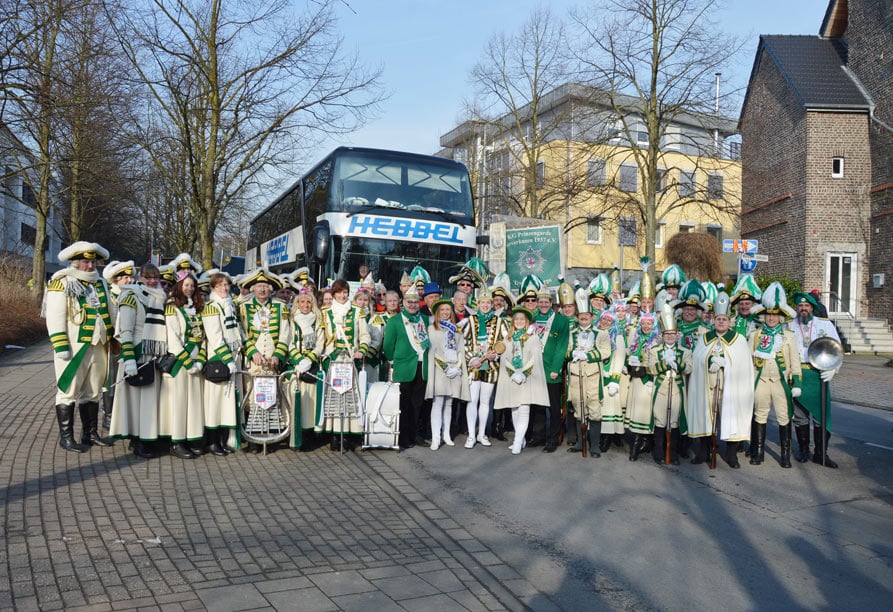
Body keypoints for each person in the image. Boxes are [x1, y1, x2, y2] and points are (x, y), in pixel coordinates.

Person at [44, 241, 116, 452]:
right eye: (86, 262)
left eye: (93, 262)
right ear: (75, 262)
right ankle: (66, 438)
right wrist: (60, 346)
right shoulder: (62, 282)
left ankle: (90, 434)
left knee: (92, 392)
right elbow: (54, 316)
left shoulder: (100, 283)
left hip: (99, 345)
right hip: (74, 347)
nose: (91, 266)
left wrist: (113, 337)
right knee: (68, 391)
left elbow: (109, 311)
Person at [687, 292, 755, 468]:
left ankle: (731, 455)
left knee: (731, 416)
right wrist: (710, 360)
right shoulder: (704, 338)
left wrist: (725, 362)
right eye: (718, 319)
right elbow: (697, 359)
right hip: (707, 386)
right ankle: (704, 452)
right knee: (705, 417)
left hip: (729, 387)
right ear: (713, 320)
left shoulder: (739, 340)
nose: (721, 322)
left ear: (730, 321)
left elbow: (743, 364)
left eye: (724, 319)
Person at [109, 263, 167, 458]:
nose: (152, 281)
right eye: (147, 277)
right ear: (140, 277)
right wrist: (129, 360)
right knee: (135, 402)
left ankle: (146, 438)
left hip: (152, 356)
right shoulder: (131, 296)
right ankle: (137, 441)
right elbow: (125, 331)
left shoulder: (159, 297)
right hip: (136, 355)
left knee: (149, 402)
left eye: (155, 277)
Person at [237, 268, 292, 453]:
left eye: (265, 286)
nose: (262, 289)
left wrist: (277, 355)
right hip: (254, 361)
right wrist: (252, 351)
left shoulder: (281, 307)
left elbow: (285, 333)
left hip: (272, 360)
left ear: (271, 289)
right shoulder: (243, 307)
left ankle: (270, 435)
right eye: (259, 286)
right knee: (253, 397)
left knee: (272, 397)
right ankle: (254, 437)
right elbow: (241, 333)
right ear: (253, 289)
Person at [748, 282, 802, 468]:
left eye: (775, 315)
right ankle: (758, 452)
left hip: (780, 381)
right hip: (761, 380)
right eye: (769, 314)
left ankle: (785, 454)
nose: (771, 318)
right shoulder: (755, 335)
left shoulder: (789, 336)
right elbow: (749, 360)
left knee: (783, 416)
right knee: (760, 415)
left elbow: (794, 361)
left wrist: (797, 383)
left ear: (781, 317)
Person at [315, 279, 371, 450]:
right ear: (333, 294)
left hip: (350, 361)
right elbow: (322, 338)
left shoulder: (357, 311)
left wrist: (361, 350)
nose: (342, 295)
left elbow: (365, 336)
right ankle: (334, 434)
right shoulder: (325, 312)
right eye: (339, 292)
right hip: (333, 361)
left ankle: (347, 434)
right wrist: (325, 356)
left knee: (349, 398)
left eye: (345, 292)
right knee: (333, 398)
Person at [789, 290, 841, 468]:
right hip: (798, 374)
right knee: (800, 416)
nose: (803, 308)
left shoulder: (824, 325)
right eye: (800, 305)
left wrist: (834, 368)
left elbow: (836, 347)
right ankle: (804, 450)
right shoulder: (789, 326)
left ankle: (821, 454)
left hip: (819, 375)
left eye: (807, 305)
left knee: (821, 417)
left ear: (812, 307)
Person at [160, 270, 206, 459]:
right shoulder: (172, 307)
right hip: (181, 363)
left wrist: (201, 359)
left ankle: (191, 437)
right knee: (178, 404)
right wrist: (188, 363)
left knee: (193, 403)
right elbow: (173, 339)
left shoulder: (198, 308)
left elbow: (203, 337)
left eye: (192, 286)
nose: (190, 288)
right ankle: (176, 441)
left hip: (196, 363)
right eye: (186, 285)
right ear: (179, 286)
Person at [493, 306, 550, 455]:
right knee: (514, 409)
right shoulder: (507, 338)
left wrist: (523, 373)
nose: (519, 321)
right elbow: (504, 358)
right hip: (512, 378)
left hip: (527, 378)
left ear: (527, 321)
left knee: (524, 409)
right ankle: (521, 439)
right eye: (516, 319)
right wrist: (513, 373)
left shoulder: (533, 337)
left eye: (522, 319)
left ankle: (517, 442)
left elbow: (535, 358)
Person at [382, 284, 429, 450]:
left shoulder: (425, 319)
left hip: (422, 366)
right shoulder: (395, 321)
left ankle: (415, 435)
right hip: (403, 366)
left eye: (415, 302)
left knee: (418, 403)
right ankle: (403, 436)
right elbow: (388, 345)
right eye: (409, 302)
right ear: (404, 302)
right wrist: (393, 359)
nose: (413, 305)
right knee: (403, 403)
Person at [526, 277, 570, 453]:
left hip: (551, 369)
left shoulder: (561, 321)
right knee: (537, 405)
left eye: (546, 302)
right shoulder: (532, 318)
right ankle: (538, 436)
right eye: (540, 302)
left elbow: (562, 346)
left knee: (553, 407)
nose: (543, 304)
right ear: (537, 303)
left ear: (551, 303)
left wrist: (556, 369)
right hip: (534, 369)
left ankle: (553, 439)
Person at [201, 270, 242, 456]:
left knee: (227, 403)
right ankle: (212, 441)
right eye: (220, 285)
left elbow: (238, 331)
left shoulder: (230, 304)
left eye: (226, 285)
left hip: (233, 357)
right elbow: (215, 338)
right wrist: (227, 360)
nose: (224, 288)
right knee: (215, 403)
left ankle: (223, 440)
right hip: (218, 359)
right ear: (213, 288)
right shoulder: (211, 307)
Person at [647, 304, 692, 465]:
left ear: (677, 335)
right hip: (660, 389)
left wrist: (677, 363)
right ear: (662, 335)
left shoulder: (685, 351)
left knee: (674, 422)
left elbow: (688, 368)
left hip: (677, 391)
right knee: (660, 421)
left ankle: (672, 453)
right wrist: (665, 363)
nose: (670, 337)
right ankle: (659, 452)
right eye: (667, 334)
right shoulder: (654, 350)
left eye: (673, 334)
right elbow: (651, 369)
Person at [462, 288, 506, 449]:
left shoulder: (500, 321)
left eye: (488, 303)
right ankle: (471, 435)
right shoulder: (470, 320)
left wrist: (497, 355)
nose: (486, 305)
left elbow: (505, 342)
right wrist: (472, 358)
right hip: (474, 367)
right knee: (472, 400)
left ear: (492, 304)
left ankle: (482, 434)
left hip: (491, 367)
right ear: (478, 304)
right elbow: (463, 341)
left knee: (485, 401)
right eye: (483, 302)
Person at [425, 300, 469, 450]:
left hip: (454, 369)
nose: (445, 312)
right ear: (438, 312)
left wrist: (457, 367)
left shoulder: (457, 330)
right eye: (442, 310)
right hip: (440, 370)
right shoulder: (432, 329)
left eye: (448, 310)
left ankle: (446, 434)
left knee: (449, 403)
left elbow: (461, 350)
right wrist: (445, 367)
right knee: (437, 403)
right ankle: (436, 438)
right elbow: (433, 352)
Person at [565, 288, 604, 456]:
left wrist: (587, 355)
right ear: (577, 316)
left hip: (593, 377)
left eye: (587, 314)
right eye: (581, 315)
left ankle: (594, 446)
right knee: (578, 410)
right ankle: (580, 443)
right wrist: (572, 353)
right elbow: (565, 352)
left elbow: (605, 352)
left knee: (594, 411)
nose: (584, 317)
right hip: (576, 377)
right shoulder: (571, 333)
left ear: (592, 316)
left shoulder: (601, 333)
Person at [289, 287, 321, 450]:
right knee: (295, 402)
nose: (306, 305)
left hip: (310, 367)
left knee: (310, 405)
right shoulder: (291, 321)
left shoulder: (318, 321)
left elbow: (320, 344)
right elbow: (289, 342)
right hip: (295, 366)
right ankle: (295, 435)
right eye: (302, 302)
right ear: (297, 303)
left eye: (309, 302)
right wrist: (299, 360)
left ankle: (308, 435)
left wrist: (308, 360)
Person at [624, 311, 659, 460]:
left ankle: (639, 444)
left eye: (649, 323)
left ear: (654, 325)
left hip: (648, 380)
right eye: (643, 323)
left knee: (645, 413)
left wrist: (651, 376)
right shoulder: (636, 338)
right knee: (637, 412)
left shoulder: (657, 340)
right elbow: (628, 352)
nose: (646, 326)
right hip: (636, 379)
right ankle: (641, 442)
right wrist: (627, 362)